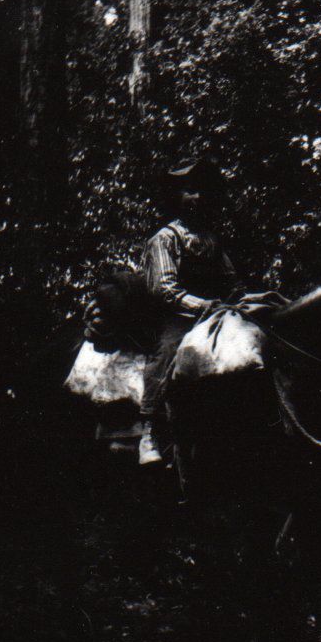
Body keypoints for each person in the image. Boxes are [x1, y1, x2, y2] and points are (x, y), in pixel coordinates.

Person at [138, 157, 241, 465]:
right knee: (168, 350)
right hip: (177, 316)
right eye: (189, 191)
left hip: (215, 314)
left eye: (201, 191)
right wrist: (201, 305)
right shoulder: (164, 238)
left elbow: (230, 279)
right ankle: (149, 430)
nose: (197, 197)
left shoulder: (211, 239)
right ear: (176, 197)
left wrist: (237, 297)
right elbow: (164, 289)